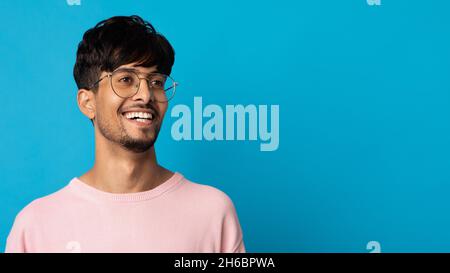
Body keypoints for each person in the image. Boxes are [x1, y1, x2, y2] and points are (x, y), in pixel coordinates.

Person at [5, 15, 245, 253]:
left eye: (156, 82)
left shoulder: (212, 211)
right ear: (87, 102)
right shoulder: (37, 225)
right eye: (126, 79)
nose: (146, 95)